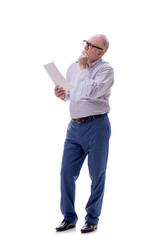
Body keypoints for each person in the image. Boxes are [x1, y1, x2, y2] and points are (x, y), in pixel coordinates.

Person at [54, 34, 114, 233]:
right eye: (85, 43)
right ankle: (69, 217)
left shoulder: (106, 69)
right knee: (66, 172)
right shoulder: (73, 66)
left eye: (91, 45)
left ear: (101, 52)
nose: (86, 47)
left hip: (96, 126)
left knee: (97, 174)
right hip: (74, 128)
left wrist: (83, 68)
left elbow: (92, 92)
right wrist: (62, 94)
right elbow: (72, 94)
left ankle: (92, 218)